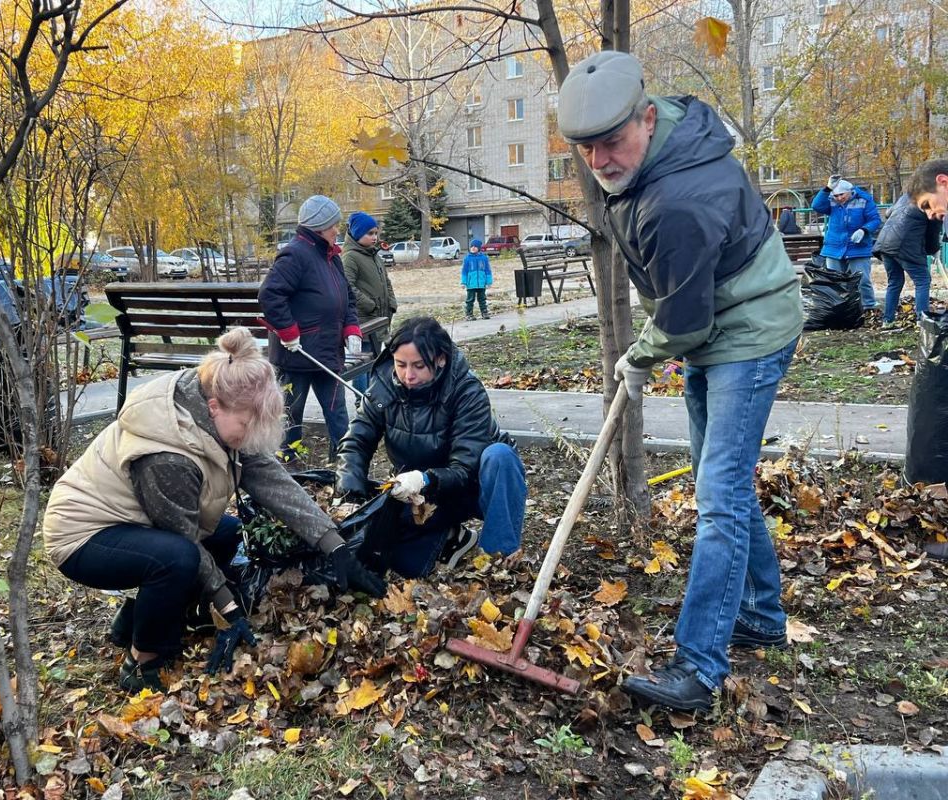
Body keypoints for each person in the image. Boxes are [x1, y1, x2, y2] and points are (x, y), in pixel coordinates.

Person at [558, 51, 804, 712]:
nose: (602, 160)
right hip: (714, 319)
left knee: (719, 493)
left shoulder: (679, 200)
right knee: (715, 474)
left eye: (613, 142)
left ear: (645, 117)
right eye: (587, 150)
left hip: (749, 330)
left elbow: (685, 320)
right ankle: (760, 616)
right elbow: (686, 307)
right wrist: (651, 346)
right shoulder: (653, 153)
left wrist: (640, 357)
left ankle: (699, 668)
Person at [42, 328, 385, 693]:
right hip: (83, 536)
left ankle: (134, 620)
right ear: (214, 408)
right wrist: (230, 610)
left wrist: (334, 545)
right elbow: (184, 538)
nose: (252, 434)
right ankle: (141, 661)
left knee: (226, 533)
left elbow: (273, 481)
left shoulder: (217, 398)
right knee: (177, 559)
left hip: (133, 521)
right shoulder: (168, 457)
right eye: (246, 424)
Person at [336, 316, 526, 578]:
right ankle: (454, 536)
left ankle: (498, 558)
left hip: (474, 485)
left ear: (441, 359)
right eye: (400, 364)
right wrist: (348, 489)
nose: (408, 375)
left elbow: (464, 468)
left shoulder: (466, 391)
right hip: (420, 492)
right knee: (405, 566)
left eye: (418, 366)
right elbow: (358, 439)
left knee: (499, 456)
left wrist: (424, 478)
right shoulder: (382, 385)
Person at [260, 195, 362, 462]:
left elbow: (347, 296)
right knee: (291, 417)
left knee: (337, 411)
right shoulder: (295, 254)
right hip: (298, 355)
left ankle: (344, 463)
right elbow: (270, 295)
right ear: (318, 227)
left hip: (327, 352)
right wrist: (288, 332)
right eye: (333, 225)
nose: (337, 230)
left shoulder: (331, 256)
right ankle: (288, 466)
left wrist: (351, 328)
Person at [341, 211, 397, 396]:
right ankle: (362, 398)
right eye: (370, 233)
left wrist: (391, 302)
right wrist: (369, 305)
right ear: (357, 234)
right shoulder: (350, 257)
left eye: (376, 233)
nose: (374, 237)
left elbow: (385, 281)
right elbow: (347, 286)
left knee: (375, 360)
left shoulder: (374, 255)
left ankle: (373, 395)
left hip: (379, 318)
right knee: (362, 362)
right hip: (363, 320)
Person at [812, 177, 881, 312]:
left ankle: (869, 306)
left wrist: (864, 230)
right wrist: (827, 189)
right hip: (834, 248)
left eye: (841, 195)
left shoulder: (864, 200)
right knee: (835, 281)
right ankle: (839, 308)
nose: (839, 198)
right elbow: (816, 206)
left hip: (858, 247)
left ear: (850, 191)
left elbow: (875, 220)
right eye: (836, 195)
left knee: (862, 280)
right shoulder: (831, 201)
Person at [873, 193, 940, 329]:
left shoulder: (907, 196)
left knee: (895, 282)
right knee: (922, 280)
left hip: (885, 244)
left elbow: (889, 212)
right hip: (905, 245)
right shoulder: (935, 201)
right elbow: (933, 230)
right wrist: (934, 249)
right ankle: (922, 322)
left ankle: (888, 321)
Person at [460, 239, 492, 320]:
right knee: (470, 300)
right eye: (472, 246)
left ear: (479, 248)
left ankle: (484, 313)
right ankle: (469, 314)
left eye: (475, 246)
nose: (473, 248)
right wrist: (463, 282)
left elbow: (488, 271)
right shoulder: (467, 259)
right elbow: (464, 271)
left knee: (482, 299)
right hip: (471, 284)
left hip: (481, 283)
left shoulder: (484, 258)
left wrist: (488, 282)